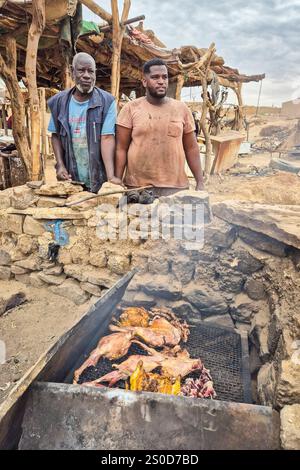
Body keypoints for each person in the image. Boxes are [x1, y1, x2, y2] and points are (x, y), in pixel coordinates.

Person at [115, 58, 204, 197]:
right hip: (137, 187)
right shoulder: (130, 108)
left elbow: (191, 148)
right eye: (155, 77)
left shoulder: (181, 109)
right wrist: (118, 180)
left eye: (165, 77)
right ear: (144, 81)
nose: (161, 81)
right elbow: (121, 148)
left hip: (175, 188)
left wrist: (200, 182)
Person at [48, 52, 121, 193]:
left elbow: (107, 137)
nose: (87, 75)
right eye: (81, 70)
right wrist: (60, 165)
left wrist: (111, 176)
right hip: (70, 176)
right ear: (72, 71)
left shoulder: (107, 102)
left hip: (98, 175)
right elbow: (56, 135)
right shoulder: (59, 102)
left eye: (91, 71)